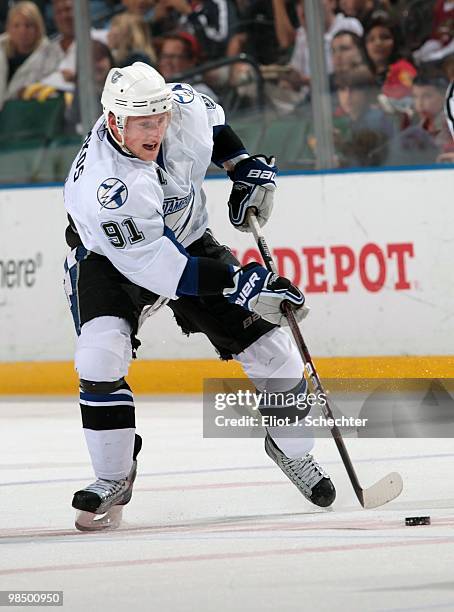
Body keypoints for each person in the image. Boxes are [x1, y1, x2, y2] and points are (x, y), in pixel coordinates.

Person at [63, 62, 336, 530]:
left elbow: (215, 123)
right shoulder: (105, 189)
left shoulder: (180, 106)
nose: (154, 130)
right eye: (142, 124)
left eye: (159, 119)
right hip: (111, 259)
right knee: (99, 357)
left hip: (188, 239)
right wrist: (240, 283)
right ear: (114, 121)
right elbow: (165, 270)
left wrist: (242, 165)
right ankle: (113, 475)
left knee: (276, 354)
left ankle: (291, 449)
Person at [0, 1, 57, 109]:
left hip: (28, 116)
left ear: (38, 28)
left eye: (28, 25)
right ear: (8, 28)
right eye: (16, 25)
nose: (22, 31)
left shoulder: (50, 54)